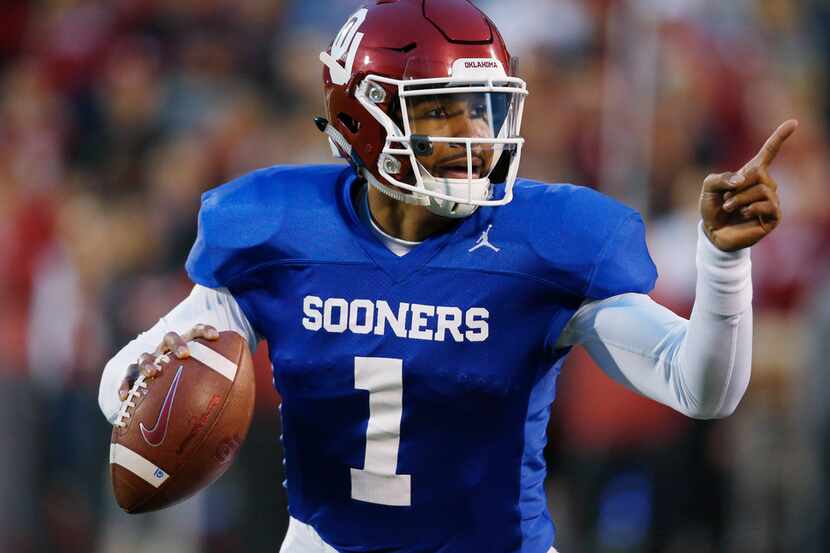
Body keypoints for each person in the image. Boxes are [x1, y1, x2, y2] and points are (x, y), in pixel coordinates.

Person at [97, 2, 797, 552]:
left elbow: (699, 388)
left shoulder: (545, 240)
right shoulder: (277, 226)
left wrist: (724, 262)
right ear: (359, 115)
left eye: (485, 108)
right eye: (439, 109)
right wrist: (145, 386)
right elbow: (127, 377)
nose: (473, 134)